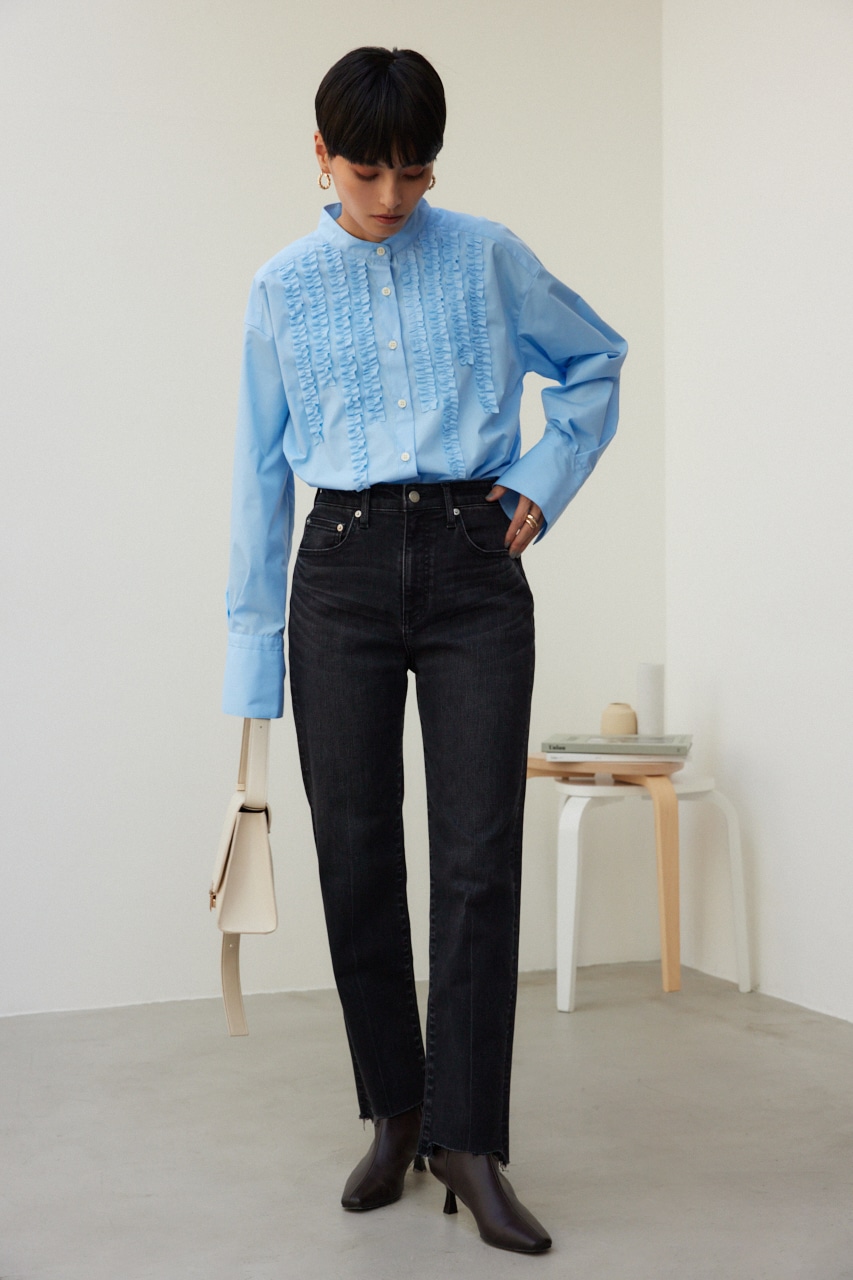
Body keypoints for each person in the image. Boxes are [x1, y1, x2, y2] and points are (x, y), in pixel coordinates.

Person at [222, 46, 627, 1255]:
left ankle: (469, 1138)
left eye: (414, 172)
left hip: (470, 563)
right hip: (339, 570)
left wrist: (541, 479)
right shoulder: (282, 286)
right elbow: (257, 471)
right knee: (354, 855)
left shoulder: (489, 255)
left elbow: (595, 360)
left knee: (478, 859)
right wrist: (250, 657)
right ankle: (394, 1112)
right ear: (320, 155)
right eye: (366, 171)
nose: (391, 195)